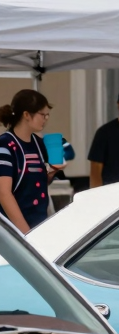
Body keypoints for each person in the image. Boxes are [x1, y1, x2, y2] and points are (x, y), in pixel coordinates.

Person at [0, 90, 65, 233]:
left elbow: (36, 185)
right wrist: (25, 233)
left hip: (40, 224)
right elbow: (4, 193)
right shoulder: (5, 145)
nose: (46, 118)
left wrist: (53, 171)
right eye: (42, 114)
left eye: (48, 115)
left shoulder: (39, 143)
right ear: (26, 115)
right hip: (13, 231)